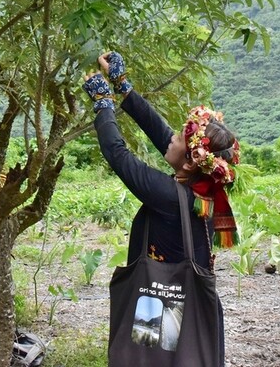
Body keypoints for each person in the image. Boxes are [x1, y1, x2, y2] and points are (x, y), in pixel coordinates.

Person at [82, 51, 241, 366]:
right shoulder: (201, 189)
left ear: (190, 160)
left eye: (179, 137)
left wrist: (102, 102)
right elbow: (161, 133)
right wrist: (123, 86)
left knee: (151, 359)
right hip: (179, 301)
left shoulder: (170, 196)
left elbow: (117, 154)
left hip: (163, 299)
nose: (171, 137)